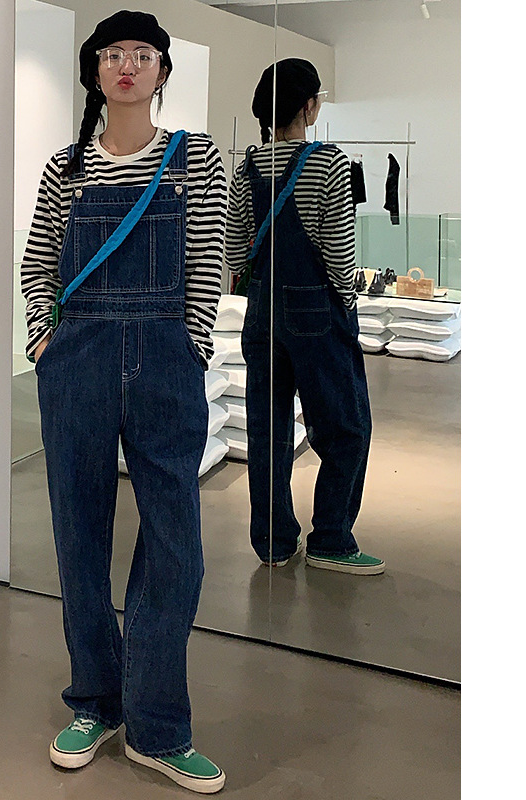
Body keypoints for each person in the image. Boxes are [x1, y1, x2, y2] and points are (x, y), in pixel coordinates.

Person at [20, 10, 227, 794]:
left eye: (143, 54)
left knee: (175, 540)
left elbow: (206, 260)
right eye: (113, 54)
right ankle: (95, 700)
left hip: (166, 355)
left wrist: (193, 345)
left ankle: (158, 723)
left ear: (163, 70)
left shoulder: (195, 157)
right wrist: (43, 339)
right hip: (76, 358)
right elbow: (38, 264)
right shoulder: (64, 167)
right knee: (79, 532)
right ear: (95, 71)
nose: (128, 65)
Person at [225, 58, 385, 576]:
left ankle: (273, 542)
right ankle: (331, 538)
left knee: (268, 430)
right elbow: (340, 254)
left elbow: (234, 252)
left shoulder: (246, 168)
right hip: (316, 313)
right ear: (310, 106)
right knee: (345, 427)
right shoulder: (329, 163)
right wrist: (349, 299)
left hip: (261, 315)